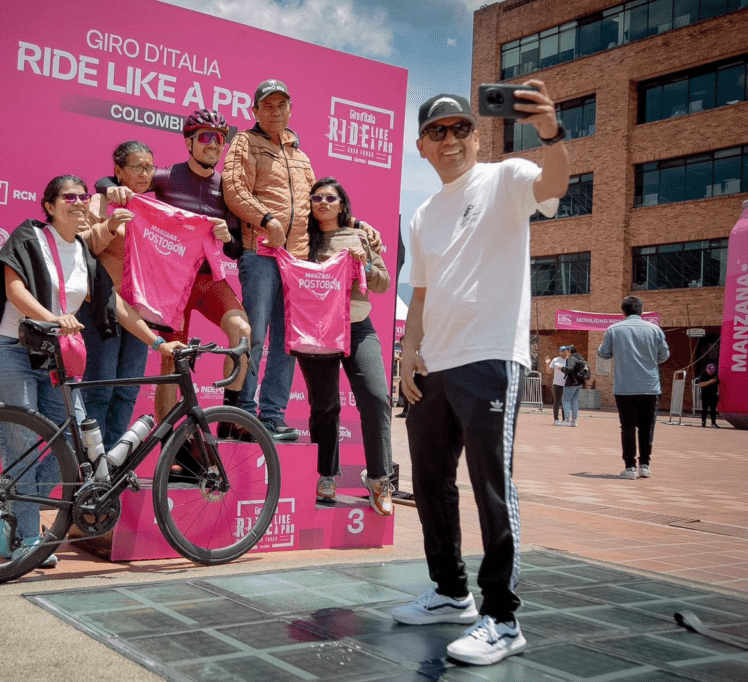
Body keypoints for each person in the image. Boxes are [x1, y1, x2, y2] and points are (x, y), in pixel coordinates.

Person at [395, 83, 570, 666]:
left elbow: (555, 185)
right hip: (434, 364)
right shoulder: (424, 214)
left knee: (492, 483)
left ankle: (502, 618)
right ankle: (451, 592)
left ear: (476, 135)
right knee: (430, 484)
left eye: (461, 128)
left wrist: (552, 133)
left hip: (491, 356)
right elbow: (421, 294)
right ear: (422, 146)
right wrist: (409, 351)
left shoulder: (506, 178)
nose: (450, 139)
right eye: (437, 132)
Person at [0, 175, 183, 567]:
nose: (77, 203)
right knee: (24, 443)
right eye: (67, 197)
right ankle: (27, 537)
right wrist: (52, 318)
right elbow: (14, 289)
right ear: (49, 206)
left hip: (52, 361)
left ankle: (11, 510)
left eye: (82, 197)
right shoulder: (29, 237)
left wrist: (158, 342)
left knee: (71, 448)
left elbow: (116, 306)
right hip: (10, 353)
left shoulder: (83, 255)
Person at [95, 110, 252, 433]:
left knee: (243, 332)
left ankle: (229, 420)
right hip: (172, 285)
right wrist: (110, 189)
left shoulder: (227, 187)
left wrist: (228, 237)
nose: (213, 144)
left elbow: (235, 249)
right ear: (189, 143)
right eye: (205, 137)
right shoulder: (166, 177)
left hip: (208, 281)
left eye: (219, 138)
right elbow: (108, 182)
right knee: (172, 360)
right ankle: (170, 441)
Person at [221, 79, 314, 441]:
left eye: (281, 105)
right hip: (259, 254)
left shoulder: (301, 156)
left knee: (286, 343)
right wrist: (266, 219)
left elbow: (312, 205)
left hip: (296, 262)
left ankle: (272, 416)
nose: (275, 112)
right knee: (255, 336)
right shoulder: (245, 141)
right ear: (255, 111)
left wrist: (353, 225)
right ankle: (244, 414)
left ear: (290, 109)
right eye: (268, 106)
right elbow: (234, 189)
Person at [294, 178, 394, 514]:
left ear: (341, 204)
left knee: (376, 398)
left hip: (358, 326)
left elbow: (382, 283)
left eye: (330, 198)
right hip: (319, 331)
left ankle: (379, 479)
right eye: (317, 197)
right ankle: (326, 475)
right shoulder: (301, 239)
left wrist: (365, 263)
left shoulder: (361, 235)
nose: (323, 202)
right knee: (324, 405)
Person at [78, 141, 157, 449]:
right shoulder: (98, 202)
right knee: (100, 388)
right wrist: (109, 226)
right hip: (103, 307)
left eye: (149, 167)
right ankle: (92, 459)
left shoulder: (156, 208)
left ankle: (113, 461)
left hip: (139, 310)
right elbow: (82, 247)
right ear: (119, 171)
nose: (144, 174)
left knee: (127, 390)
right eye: (136, 167)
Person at [597, 295, 670, 479]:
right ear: (641, 311)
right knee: (647, 427)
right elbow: (664, 355)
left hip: (625, 387)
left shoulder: (614, 329)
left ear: (623, 311)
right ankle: (645, 465)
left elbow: (604, 353)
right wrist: (650, 359)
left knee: (628, 427)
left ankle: (630, 468)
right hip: (649, 386)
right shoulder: (655, 329)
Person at [561, 344, 586, 427]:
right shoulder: (580, 358)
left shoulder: (571, 358)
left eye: (567, 351)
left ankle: (567, 420)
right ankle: (574, 421)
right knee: (574, 401)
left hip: (572, 382)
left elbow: (570, 369)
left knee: (566, 400)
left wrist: (562, 368)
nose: (566, 352)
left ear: (570, 351)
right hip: (579, 382)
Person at [545, 346, 569, 425]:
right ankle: (556, 419)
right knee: (557, 401)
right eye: (562, 351)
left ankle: (565, 420)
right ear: (559, 352)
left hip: (567, 384)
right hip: (557, 383)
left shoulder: (570, 360)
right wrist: (547, 363)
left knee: (565, 402)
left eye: (566, 351)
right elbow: (549, 371)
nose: (564, 353)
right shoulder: (555, 360)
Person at [698, 363, 720, 428]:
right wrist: (709, 381)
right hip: (705, 395)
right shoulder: (703, 375)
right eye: (710, 370)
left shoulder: (715, 375)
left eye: (712, 371)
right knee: (704, 409)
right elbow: (700, 384)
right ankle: (703, 422)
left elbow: (718, 383)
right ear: (707, 369)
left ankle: (713, 423)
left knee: (713, 410)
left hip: (713, 395)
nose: (711, 372)